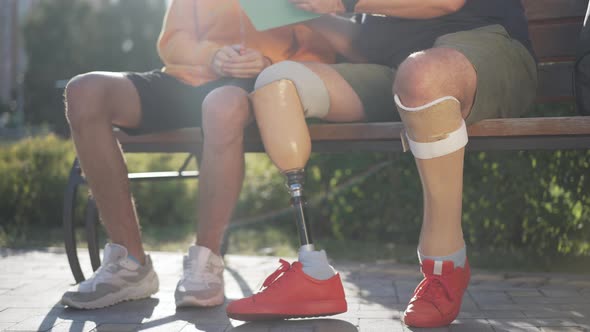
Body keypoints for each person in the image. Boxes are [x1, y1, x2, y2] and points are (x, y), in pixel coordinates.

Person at [225, 0, 537, 328]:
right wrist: (304, 11)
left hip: (487, 45)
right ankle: (312, 272)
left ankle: (446, 263)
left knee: (422, 75)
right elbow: (362, 45)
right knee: (277, 82)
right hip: (394, 67)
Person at [60, 0, 336, 310]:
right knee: (84, 91)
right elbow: (172, 42)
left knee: (221, 106)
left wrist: (270, 64)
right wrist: (212, 56)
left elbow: (323, 49)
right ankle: (130, 264)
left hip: (252, 84)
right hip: (185, 80)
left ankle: (206, 261)